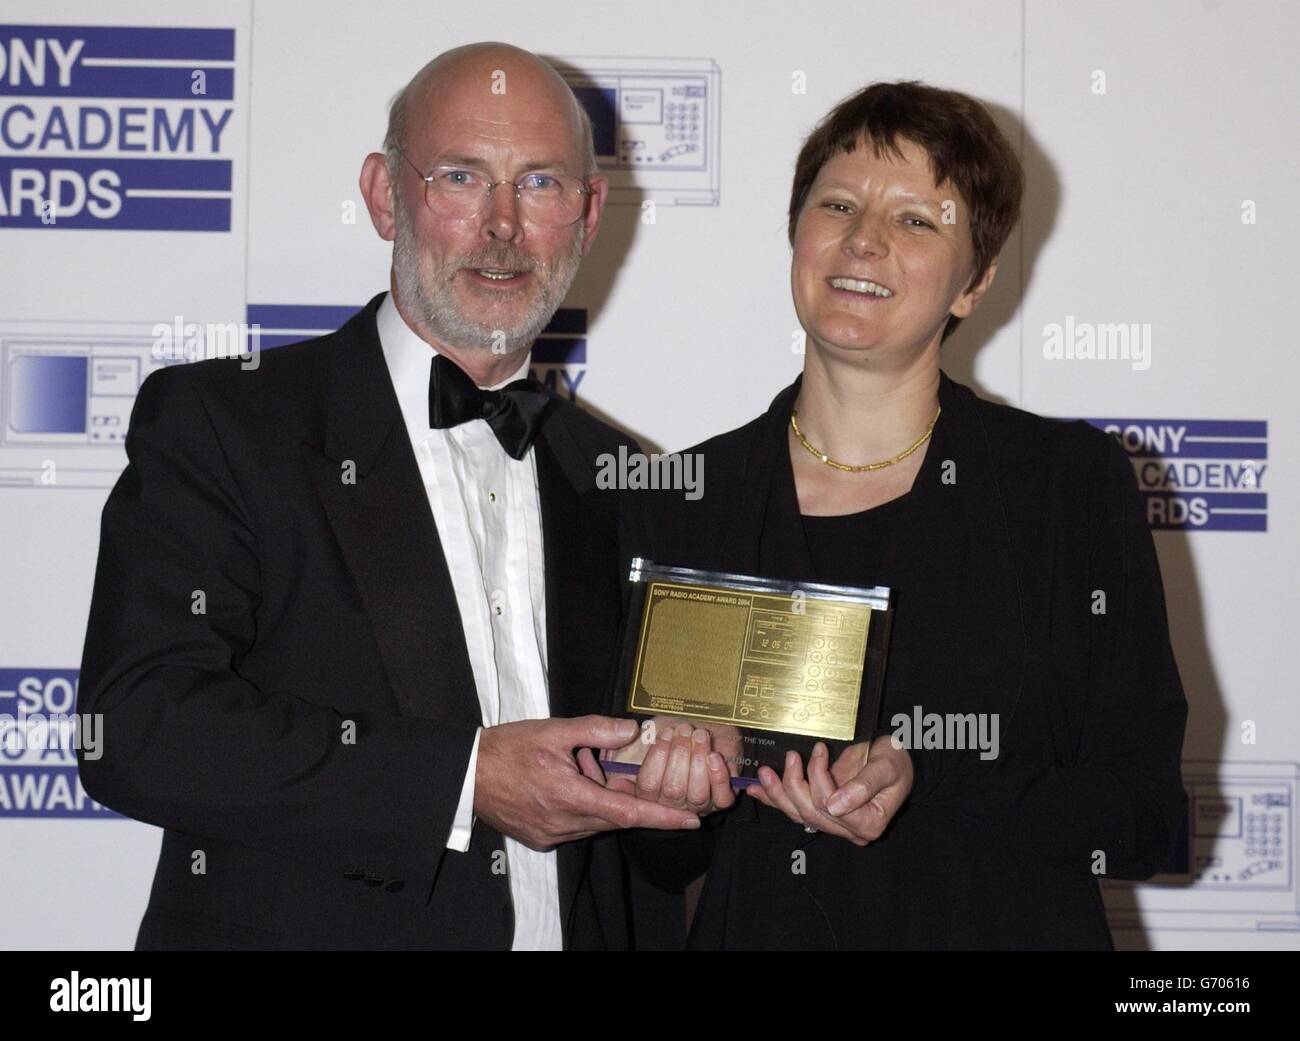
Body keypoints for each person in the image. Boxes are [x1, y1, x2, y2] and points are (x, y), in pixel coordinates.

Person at [74, 42, 705, 951]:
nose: (501, 227)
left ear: (589, 212)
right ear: (382, 195)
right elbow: (136, 726)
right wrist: (463, 777)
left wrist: (689, 788)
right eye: (461, 176)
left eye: (539, 185)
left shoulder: (623, 477)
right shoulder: (228, 422)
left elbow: (650, 857)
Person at [620, 81, 1188, 949]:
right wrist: (677, 790)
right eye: (838, 204)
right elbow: (653, 867)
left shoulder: (1069, 487)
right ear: (797, 237)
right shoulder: (685, 496)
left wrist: (927, 775)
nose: (864, 239)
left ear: (976, 281)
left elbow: (1144, 816)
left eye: (918, 220)